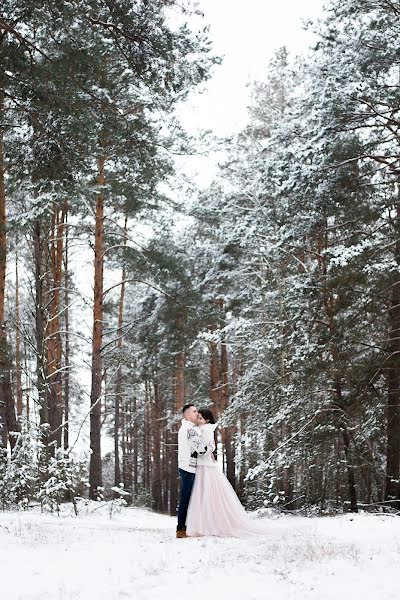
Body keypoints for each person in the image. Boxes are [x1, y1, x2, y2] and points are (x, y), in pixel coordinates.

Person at [186, 408, 261, 538]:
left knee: (206, 496)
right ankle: (203, 526)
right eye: (198, 418)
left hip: (206, 466)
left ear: (207, 420)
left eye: (200, 418)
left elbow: (208, 448)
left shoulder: (207, 430)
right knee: (202, 496)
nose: (198, 420)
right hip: (204, 465)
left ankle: (208, 526)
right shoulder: (204, 429)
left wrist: (200, 450)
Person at [176, 403, 207, 539]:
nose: (197, 413)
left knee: (188, 498)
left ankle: (184, 527)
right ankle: (181, 529)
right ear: (187, 415)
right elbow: (200, 448)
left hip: (188, 466)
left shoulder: (189, 428)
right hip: (188, 468)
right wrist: (208, 447)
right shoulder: (189, 430)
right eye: (194, 411)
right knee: (186, 498)